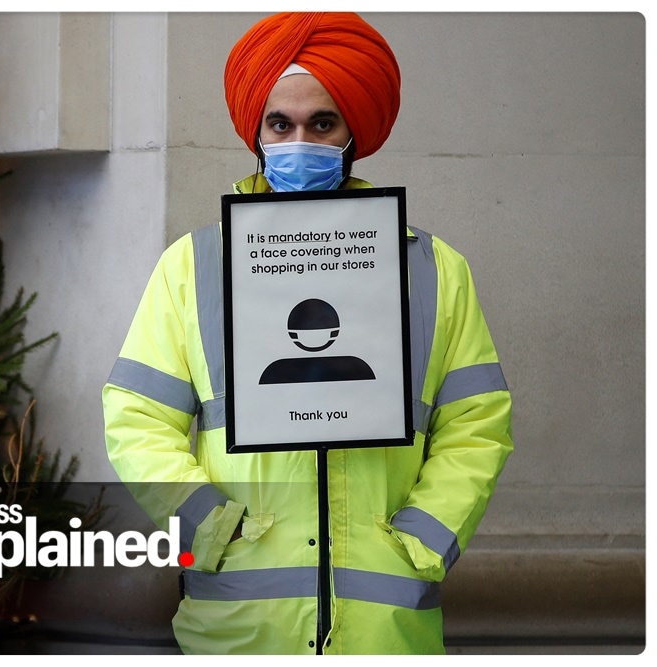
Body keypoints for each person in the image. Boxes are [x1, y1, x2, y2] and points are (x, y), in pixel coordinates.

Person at [102, 12, 512, 654]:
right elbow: (136, 418)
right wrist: (210, 527)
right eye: (280, 124)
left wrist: (426, 537)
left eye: (322, 123)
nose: (301, 141)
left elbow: (476, 423)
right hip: (239, 629)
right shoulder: (194, 264)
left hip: (386, 632)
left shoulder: (434, 269)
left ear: (353, 132)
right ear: (256, 133)